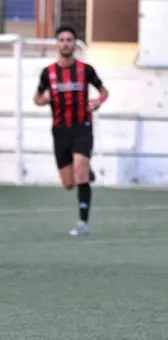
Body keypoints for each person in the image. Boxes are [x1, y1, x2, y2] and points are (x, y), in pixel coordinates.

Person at [33, 25, 108, 237]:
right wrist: (42, 100)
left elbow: (104, 91)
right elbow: (37, 97)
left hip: (82, 127)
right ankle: (83, 170)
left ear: (74, 44)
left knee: (80, 171)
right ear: (57, 44)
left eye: (69, 39)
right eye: (62, 40)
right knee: (68, 183)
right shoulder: (48, 73)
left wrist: (98, 101)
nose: (65, 43)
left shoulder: (86, 70)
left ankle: (83, 223)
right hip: (60, 131)